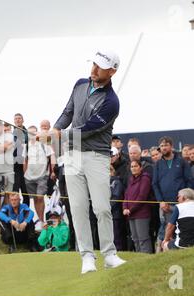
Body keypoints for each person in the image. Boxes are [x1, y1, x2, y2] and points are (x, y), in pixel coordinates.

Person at [41, 49, 126, 273]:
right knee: (78, 207)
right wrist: (55, 129)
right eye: (94, 64)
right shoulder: (80, 84)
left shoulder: (111, 102)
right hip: (72, 156)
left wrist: (59, 135)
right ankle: (87, 256)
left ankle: (109, 254)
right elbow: (68, 111)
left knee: (101, 208)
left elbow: (88, 129)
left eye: (101, 66)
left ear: (113, 71)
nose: (94, 69)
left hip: (96, 157)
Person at [152, 136, 193, 252]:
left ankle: (178, 252)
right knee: (165, 228)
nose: (163, 148)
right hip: (164, 204)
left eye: (166, 145)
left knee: (179, 229)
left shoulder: (182, 162)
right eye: (161, 146)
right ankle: (162, 253)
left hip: (181, 204)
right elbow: (154, 184)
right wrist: (161, 201)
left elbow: (189, 181)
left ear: (171, 146)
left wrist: (186, 199)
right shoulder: (158, 164)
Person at [22, 125, 55, 230]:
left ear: (37, 133)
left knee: (40, 197)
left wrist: (52, 171)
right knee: (35, 198)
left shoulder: (44, 144)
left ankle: (43, 220)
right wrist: (24, 174)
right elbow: (25, 161)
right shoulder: (26, 146)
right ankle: (40, 220)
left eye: (33, 132)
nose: (31, 135)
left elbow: (52, 157)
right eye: (29, 133)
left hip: (42, 176)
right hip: (29, 177)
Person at [123, 160, 153, 253]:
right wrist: (124, 208)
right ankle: (139, 259)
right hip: (131, 214)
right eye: (132, 167)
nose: (133, 168)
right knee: (135, 238)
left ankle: (146, 259)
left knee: (143, 238)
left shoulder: (145, 178)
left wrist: (130, 209)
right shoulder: (131, 179)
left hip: (142, 214)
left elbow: (142, 196)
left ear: (140, 167)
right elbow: (126, 195)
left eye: (135, 166)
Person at [13, 113, 30, 206]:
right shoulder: (11, 134)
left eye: (19, 118)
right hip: (15, 166)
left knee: (26, 192)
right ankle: (16, 214)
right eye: (16, 119)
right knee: (15, 190)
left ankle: (25, 213)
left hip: (26, 164)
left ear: (22, 120)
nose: (18, 120)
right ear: (14, 121)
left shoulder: (27, 132)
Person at [110, 162, 126, 251]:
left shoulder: (117, 182)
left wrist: (107, 207)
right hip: (108, 214)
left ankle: (118, 252)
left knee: (116, 236)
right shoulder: (104, 182)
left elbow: (116, 197)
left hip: (115, 214)